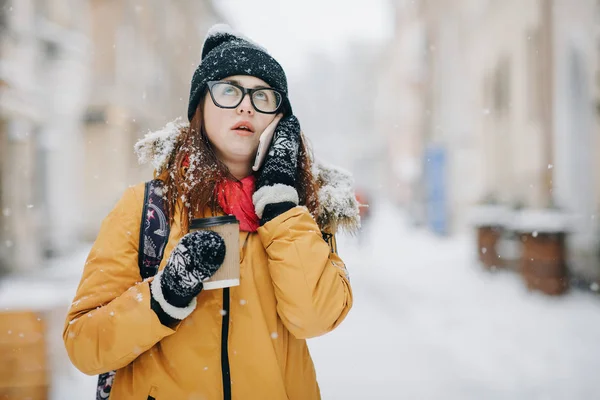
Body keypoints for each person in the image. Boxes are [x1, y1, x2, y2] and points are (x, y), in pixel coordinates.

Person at [63, 24, 359, 399]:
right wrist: (163, 297)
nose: (246, 105)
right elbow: (84, 346)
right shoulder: (147, 208)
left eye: (264, 96)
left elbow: (314, 317)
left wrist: (281, 205)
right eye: (228, 91)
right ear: (199, 109)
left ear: (280, 121)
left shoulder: (305, 215)